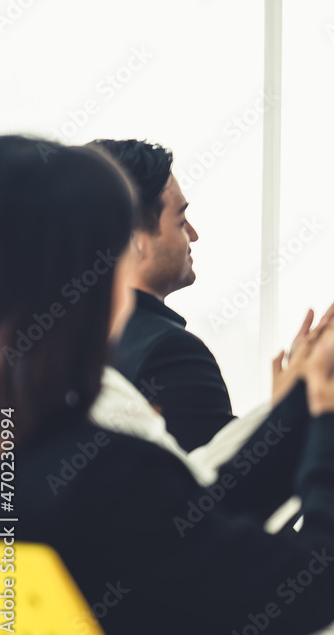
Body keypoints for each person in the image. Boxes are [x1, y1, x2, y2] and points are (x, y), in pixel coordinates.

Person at [0, 135, 334, 635]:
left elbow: (182, 521)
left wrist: (303, 404)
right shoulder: (102, 470)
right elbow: (308, 586)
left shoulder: (24, 452)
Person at [87, 138, 231, 452]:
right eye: (180, 220)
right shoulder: (172, 352)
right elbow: (225, 490)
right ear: (136, 240)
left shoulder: (62, 342)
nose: (193, 234)